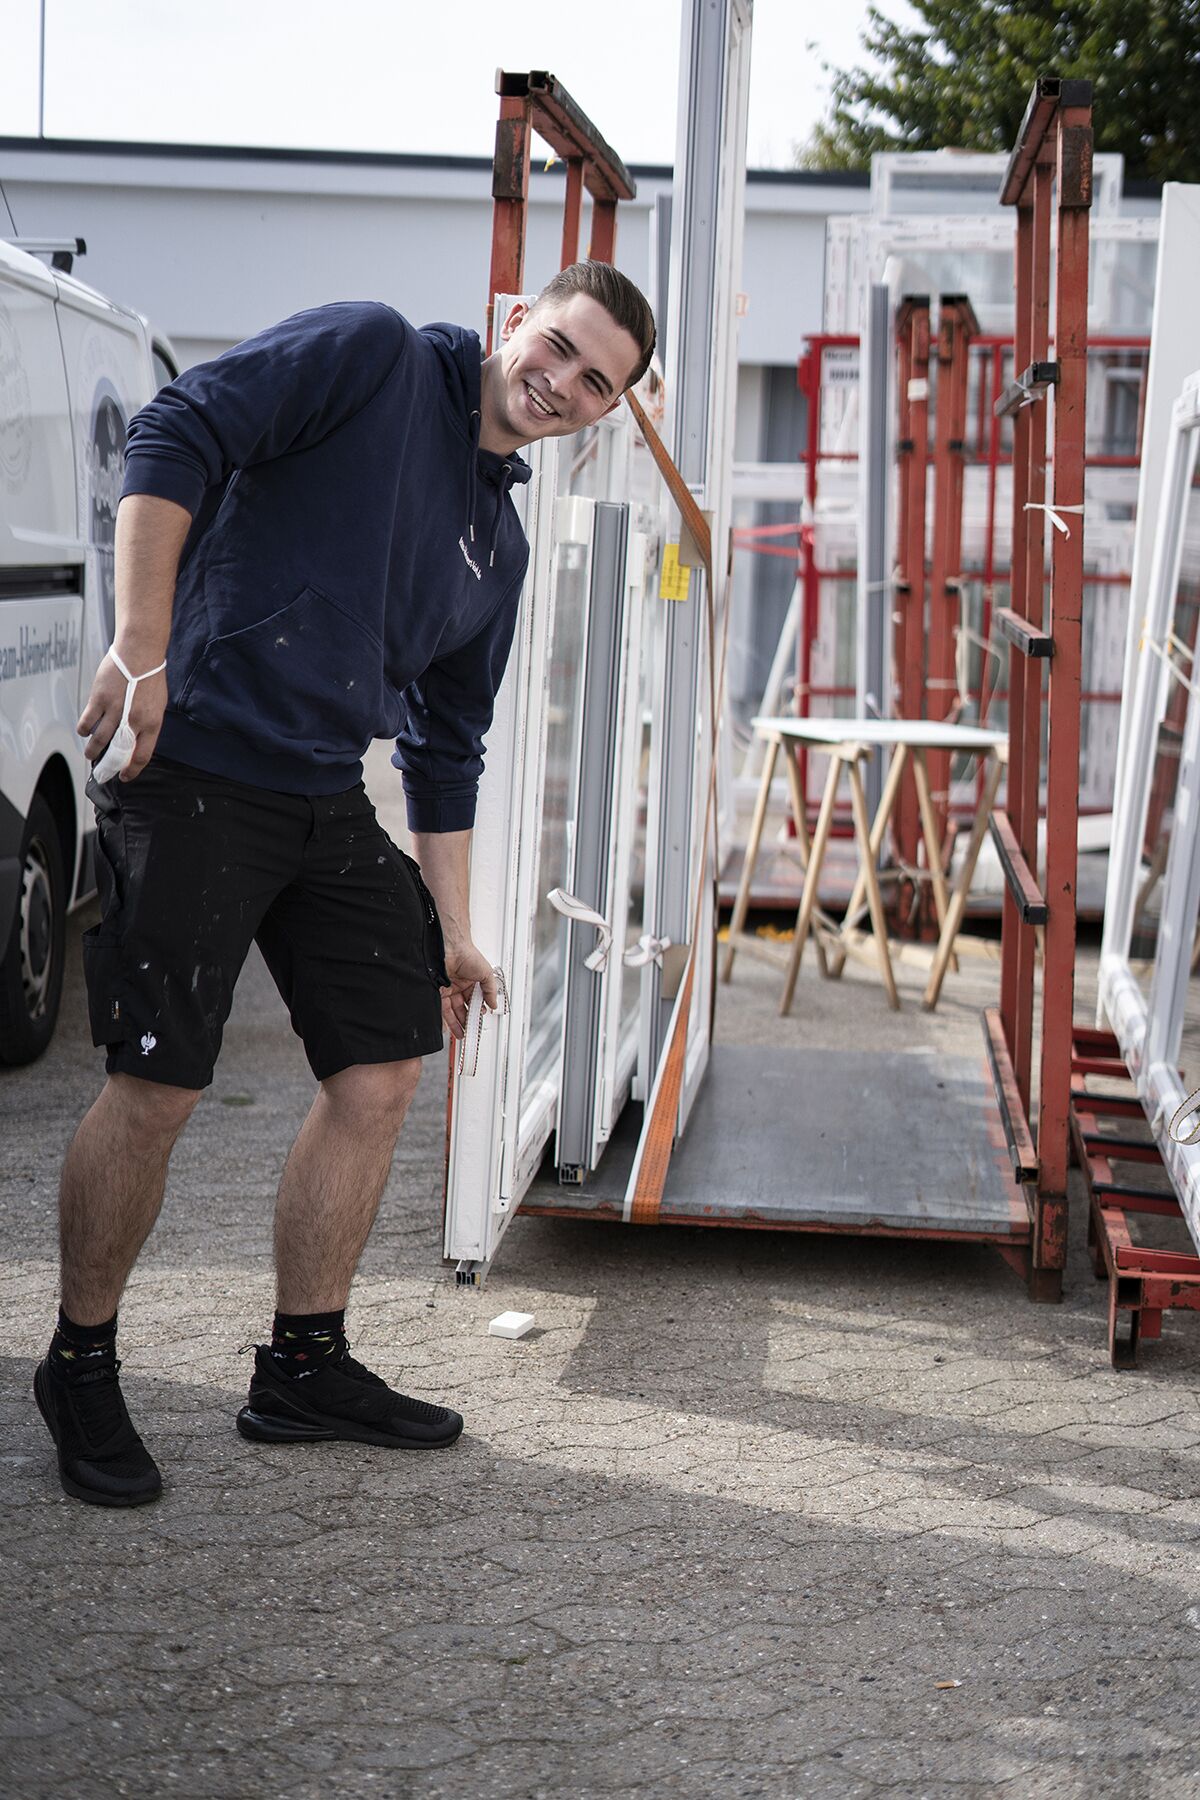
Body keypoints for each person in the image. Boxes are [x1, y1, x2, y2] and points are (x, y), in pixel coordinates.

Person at [35, 260, 657, 1508]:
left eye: (597, 383)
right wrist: (141, 646)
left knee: (381, 1071)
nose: (562, 383)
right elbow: (177, 430)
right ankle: (80, 1363)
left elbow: (446, 745)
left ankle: (303, 1366)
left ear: (606, 411)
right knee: (160, 1085)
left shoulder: (499, 544)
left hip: (321, 791)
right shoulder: (375, 357)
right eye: (558, 347)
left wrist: (455, 928)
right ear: (517, 321)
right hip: (194, 758)